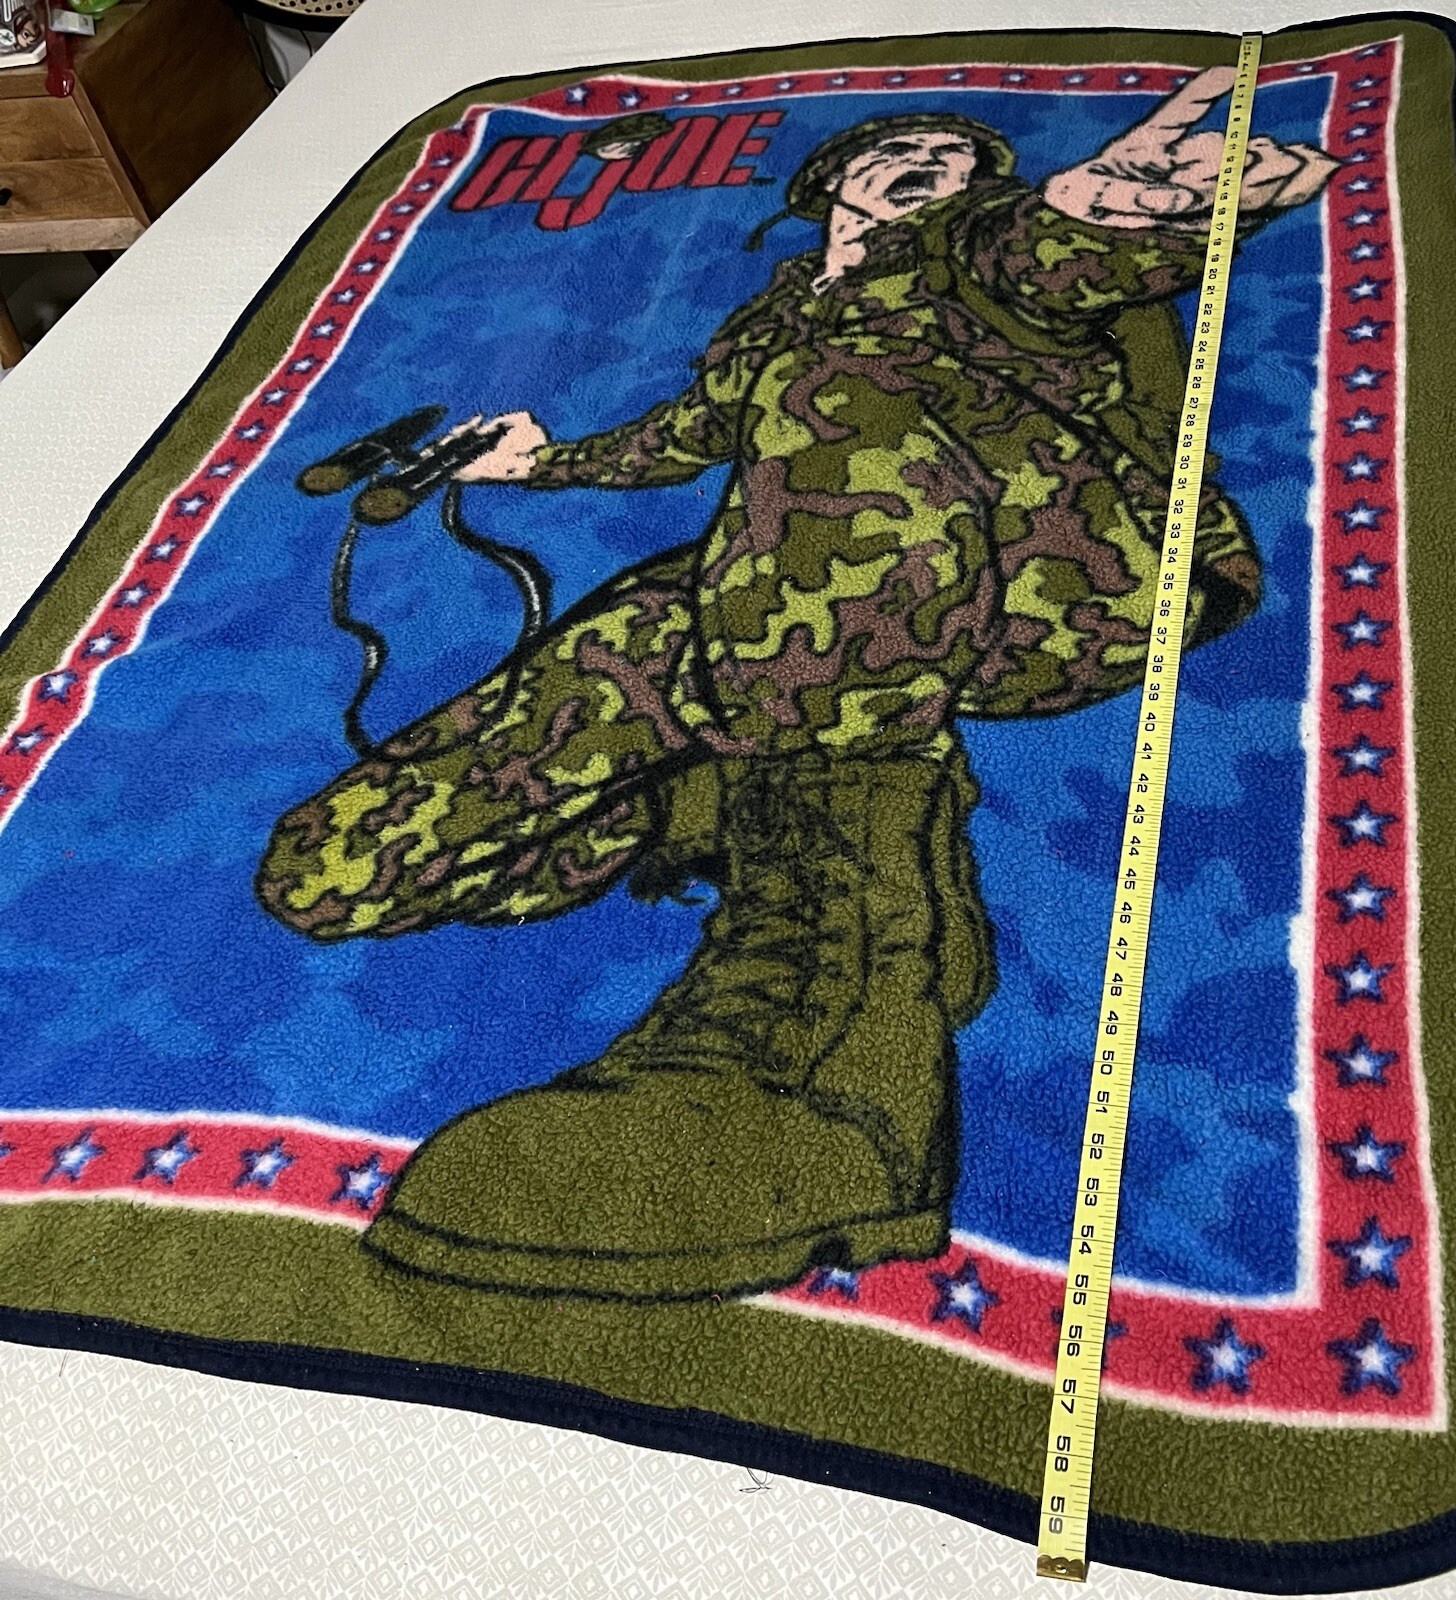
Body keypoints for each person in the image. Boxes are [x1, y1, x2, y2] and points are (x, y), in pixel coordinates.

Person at [257, 68, 1335, 1301]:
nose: (935, 168)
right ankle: (728, 800)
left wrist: (1102, 213)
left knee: (838, 408)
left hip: (1063, 573)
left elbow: (1046, 267)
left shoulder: (972, 261)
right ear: (832, 184)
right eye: (902, 153)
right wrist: (541, 463)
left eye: (961, 162)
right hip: (808, 608)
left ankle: (846, 1011)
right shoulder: (779, 318)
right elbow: (688, 431)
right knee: (334, 866)